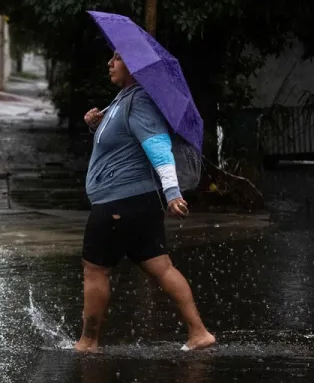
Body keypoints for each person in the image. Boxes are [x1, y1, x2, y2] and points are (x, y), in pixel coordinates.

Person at [74, 50, 216, 353]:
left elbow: (158, 146)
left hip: (120, 203)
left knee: (95, 270)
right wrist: (93, 124)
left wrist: (172, 192)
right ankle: (199, 332)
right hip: (134, 203)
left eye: (117, 58)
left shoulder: (139, 101)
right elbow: (119, 142)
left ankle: (88, 342)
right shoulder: (123, 99)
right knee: (161, 267)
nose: (109, 63)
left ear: (136, 67)